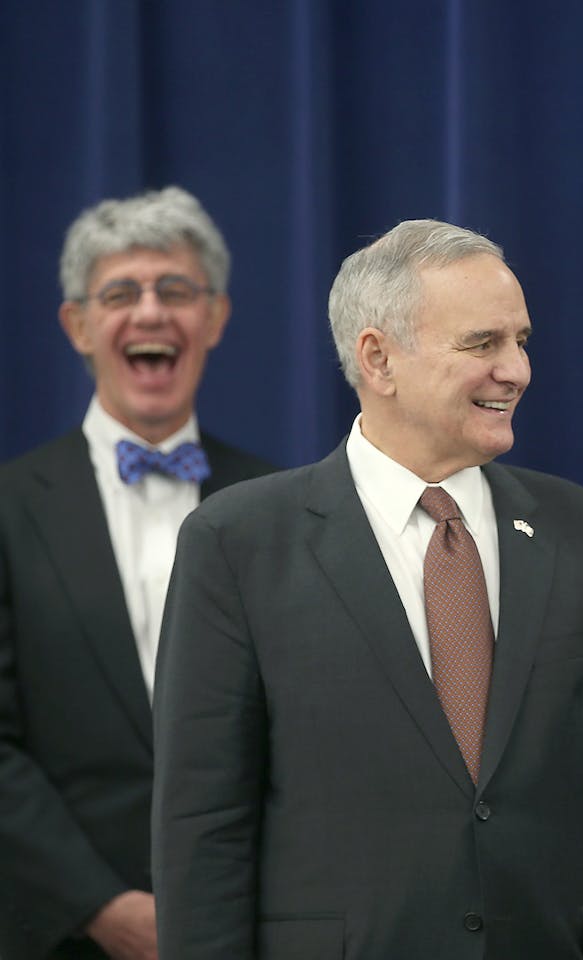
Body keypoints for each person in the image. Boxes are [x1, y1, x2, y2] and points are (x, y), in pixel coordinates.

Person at [151, 219, 583, 959]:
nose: (517, 370)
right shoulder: (238, 543)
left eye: (521, 341)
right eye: (483, 344)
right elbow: (203, 826)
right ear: (378, 359)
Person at [0, 187, 274, 960]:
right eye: (121, 293)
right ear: (78, 325)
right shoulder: (9, 507)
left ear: (214, 318)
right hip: (58, 933)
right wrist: (101, 907)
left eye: (176, 291)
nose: (150, 313)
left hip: (250, 927)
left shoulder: (283, 507)